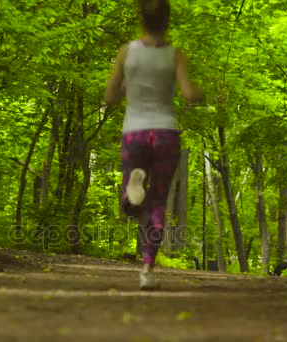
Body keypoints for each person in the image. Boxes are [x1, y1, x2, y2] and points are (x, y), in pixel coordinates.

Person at [105, 0, 203, 290]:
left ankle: (131, 192)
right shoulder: (175, 56)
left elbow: (109, 97)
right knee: (158, 201)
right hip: (165, 133)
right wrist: (201, 94)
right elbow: (188, 93)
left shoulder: (127, 52)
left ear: (141, 19)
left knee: (133, 202)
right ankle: (147, 270)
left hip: (134, 132)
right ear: (167, 21)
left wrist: (125, 89)